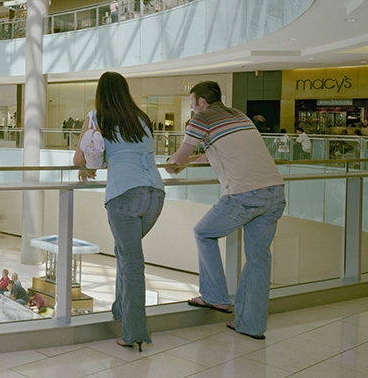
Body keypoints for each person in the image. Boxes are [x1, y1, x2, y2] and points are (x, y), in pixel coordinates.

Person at [167, 81, 285, 341]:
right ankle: (251, 325)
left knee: (203, 232)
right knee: (258, 260)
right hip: (275, 192)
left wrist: (174, 163)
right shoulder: (238, 115)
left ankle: (215, 297)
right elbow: (213, 154)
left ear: (201, 102)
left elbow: (177, 157)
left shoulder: (202, 119)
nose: (192, 110)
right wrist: (187, 163)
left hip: (245, 195)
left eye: (192, 104)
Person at [73, 71, 164, 351]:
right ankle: (120, 309)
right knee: (126, 254)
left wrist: (89, 166)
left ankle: (134, 331)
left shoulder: (96, 117)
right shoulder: (141, 118)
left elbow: (80, 158)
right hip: (155, 195)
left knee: (132, 262)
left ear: (101, 93)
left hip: (124, 195)